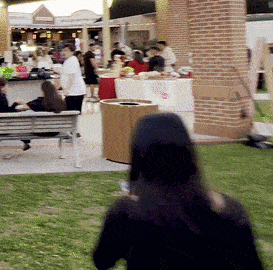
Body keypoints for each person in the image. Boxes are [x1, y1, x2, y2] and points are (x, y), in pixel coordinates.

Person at [92, 113, 263, 269]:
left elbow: (103, 260)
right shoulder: (228, 209)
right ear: (187, 152)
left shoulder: (127, 212)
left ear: (139, 155)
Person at [59, 44, 86, 113]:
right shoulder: (68, 60)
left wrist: (67, 90)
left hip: (74, 92)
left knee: (73, 112)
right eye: (62, 50)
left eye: (66, 50)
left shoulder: (72, 61)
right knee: (72, 112)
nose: (63, 52)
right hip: (72, 92)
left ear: (72, 52)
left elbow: (72, 76)